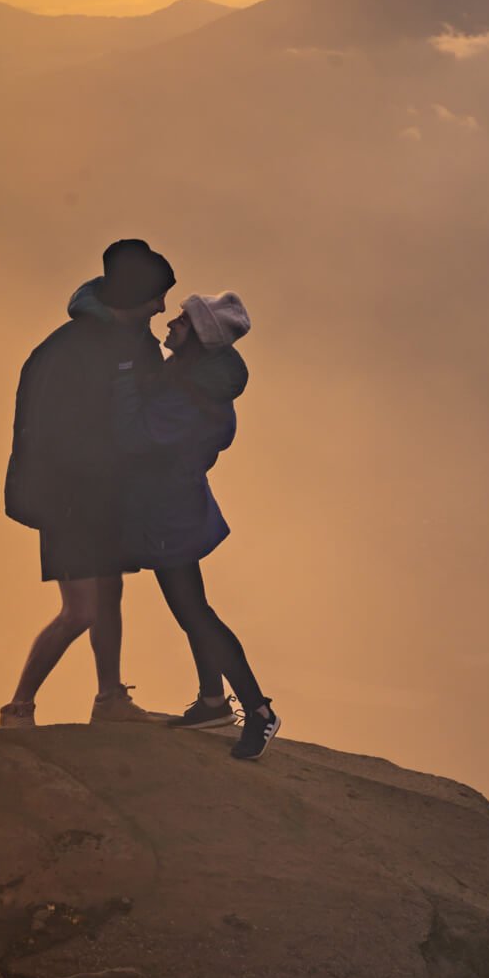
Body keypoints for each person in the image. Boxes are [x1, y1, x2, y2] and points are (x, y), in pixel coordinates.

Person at [1, 238, 175, 727]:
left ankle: (110, 700)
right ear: (130, 296)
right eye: (155, 296)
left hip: (109, 497)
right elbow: (44, 432)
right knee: (80, 611)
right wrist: (60, 497)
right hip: (69, 500)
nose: (163, 306)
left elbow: (150, 404)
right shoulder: (64, 350)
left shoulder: (139, 343)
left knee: (112, 596)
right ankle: (18, 708)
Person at [114, 290, 280, 764]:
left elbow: (136, 435)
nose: (170, 324)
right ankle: (212, 701)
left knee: (194, 614)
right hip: (181, 505)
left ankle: (259, 709)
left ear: (198, 340)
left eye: (182, 322)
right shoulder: (193, 384)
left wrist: (125, 380)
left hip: (170, 511)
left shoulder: (187, 398)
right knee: (194, 607)